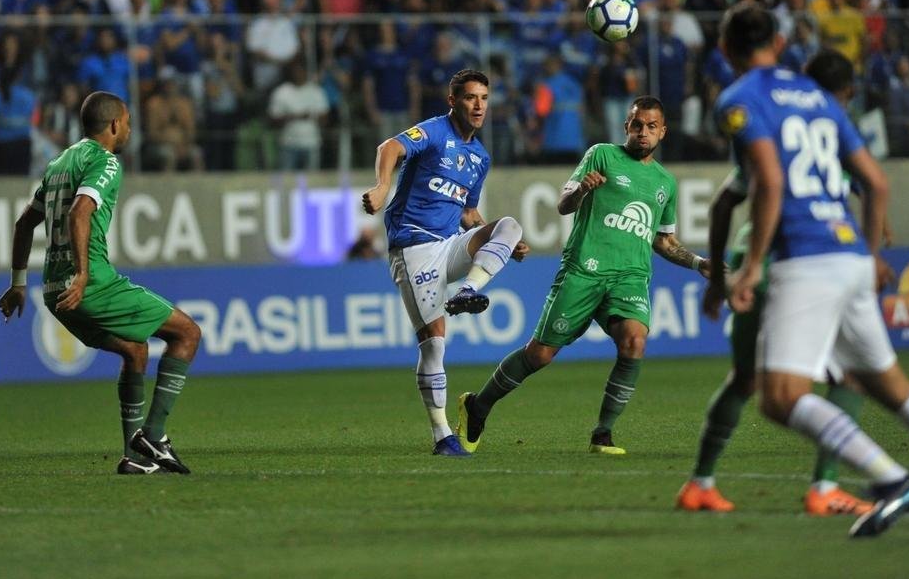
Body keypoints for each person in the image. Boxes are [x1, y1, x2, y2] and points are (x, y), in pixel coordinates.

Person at [711, 2, 909, 536]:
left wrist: (752, 265)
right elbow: (876, 182)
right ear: (781, 41)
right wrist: (874, 253)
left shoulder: (739, 99)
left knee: (781, 397)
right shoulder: (816, 95)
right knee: (892, 387)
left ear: (725, 49)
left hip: (806, 262)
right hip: (852, 256)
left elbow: (769, 180)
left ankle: (890, 481)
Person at [678, 50, 881, 516]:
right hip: (798, 261)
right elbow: (872, 187)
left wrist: (726, 276)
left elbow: (727, 202)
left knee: (745, 378)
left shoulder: (770, 132)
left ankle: (700, 483)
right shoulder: (831, 134)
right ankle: (826, 489)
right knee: (850, 376)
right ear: (845, 95)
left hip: (750, 256)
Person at [456, 97, 711, 456]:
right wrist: (582, 189)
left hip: (630, 278)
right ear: (626, 126)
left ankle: (603, 434)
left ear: (663, 132)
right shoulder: (602, 155)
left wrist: (700, 263)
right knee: (540, 355)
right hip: (583, 271)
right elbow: (563, 205)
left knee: (634, 342)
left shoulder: (665, 183)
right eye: (637, 125)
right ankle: (478, 406)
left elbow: (664, 241)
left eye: (651, 127)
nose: (643, 133)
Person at [0, 92, 203, 475]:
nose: (128, 129)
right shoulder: (105, 161)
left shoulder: (59, 162)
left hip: (55, 291)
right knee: (187, 333)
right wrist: (84, 272)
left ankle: (133, 457)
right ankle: (154, 437)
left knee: (135, 352)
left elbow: (24, 223)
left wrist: (18, 283)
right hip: (88, 285)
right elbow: (80, 212)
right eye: (126, 122)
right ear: (113, 125)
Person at [362, 69, 529, 457]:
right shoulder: (435, 131)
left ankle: (470, 288)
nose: (479, 105)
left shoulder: (480, 157)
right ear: (453, 101)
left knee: (510, 226)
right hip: (414, 247)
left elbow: (468, 212)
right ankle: (442, 436)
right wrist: (384, 187)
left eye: (484, 98)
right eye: (470, 97)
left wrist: (501, 241)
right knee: (434, 346)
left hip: (450, 243)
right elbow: (389, 147)